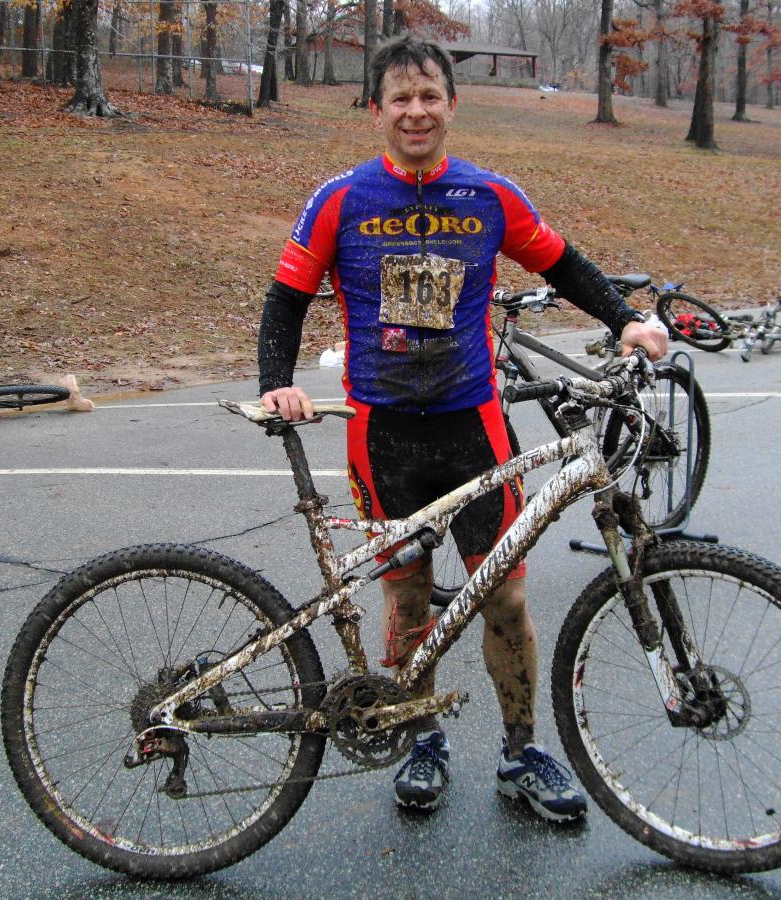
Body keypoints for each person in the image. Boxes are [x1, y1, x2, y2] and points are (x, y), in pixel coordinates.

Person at [258, 34, 667, 823]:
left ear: (453, 106)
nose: (416, 111)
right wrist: (277, 383)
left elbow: (562, 263)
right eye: (400, 98)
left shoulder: (489, 197)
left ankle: (520, 753)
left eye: (430, 96)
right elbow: (286, 295)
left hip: (474, 430)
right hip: (381, 439)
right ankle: (420, 739)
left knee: (506, 603)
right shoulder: (341, 198)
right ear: (375, 109)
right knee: (409, 604)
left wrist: (625, 320)